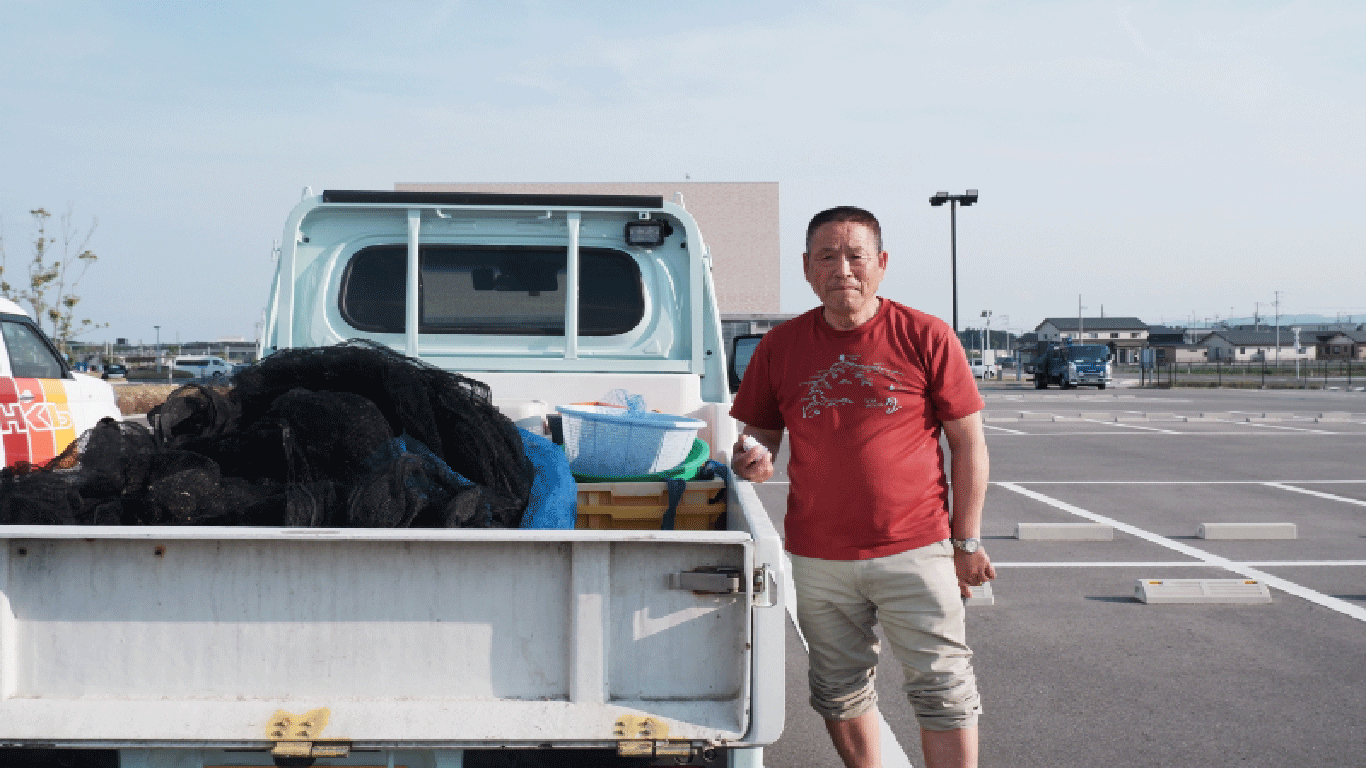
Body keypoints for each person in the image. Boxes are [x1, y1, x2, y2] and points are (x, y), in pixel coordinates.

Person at [730, 206, 994, 768]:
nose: (842, 269)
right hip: (819, 557)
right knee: (839, 691)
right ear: (807, 267)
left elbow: (968, 443)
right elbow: (761, 436)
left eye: (856, 256)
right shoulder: (779, 346)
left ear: (882, 263)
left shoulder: (925, 335)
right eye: (827, 256)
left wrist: (966, 541)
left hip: (916, 547)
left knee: (943, 690)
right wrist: (753, 460)